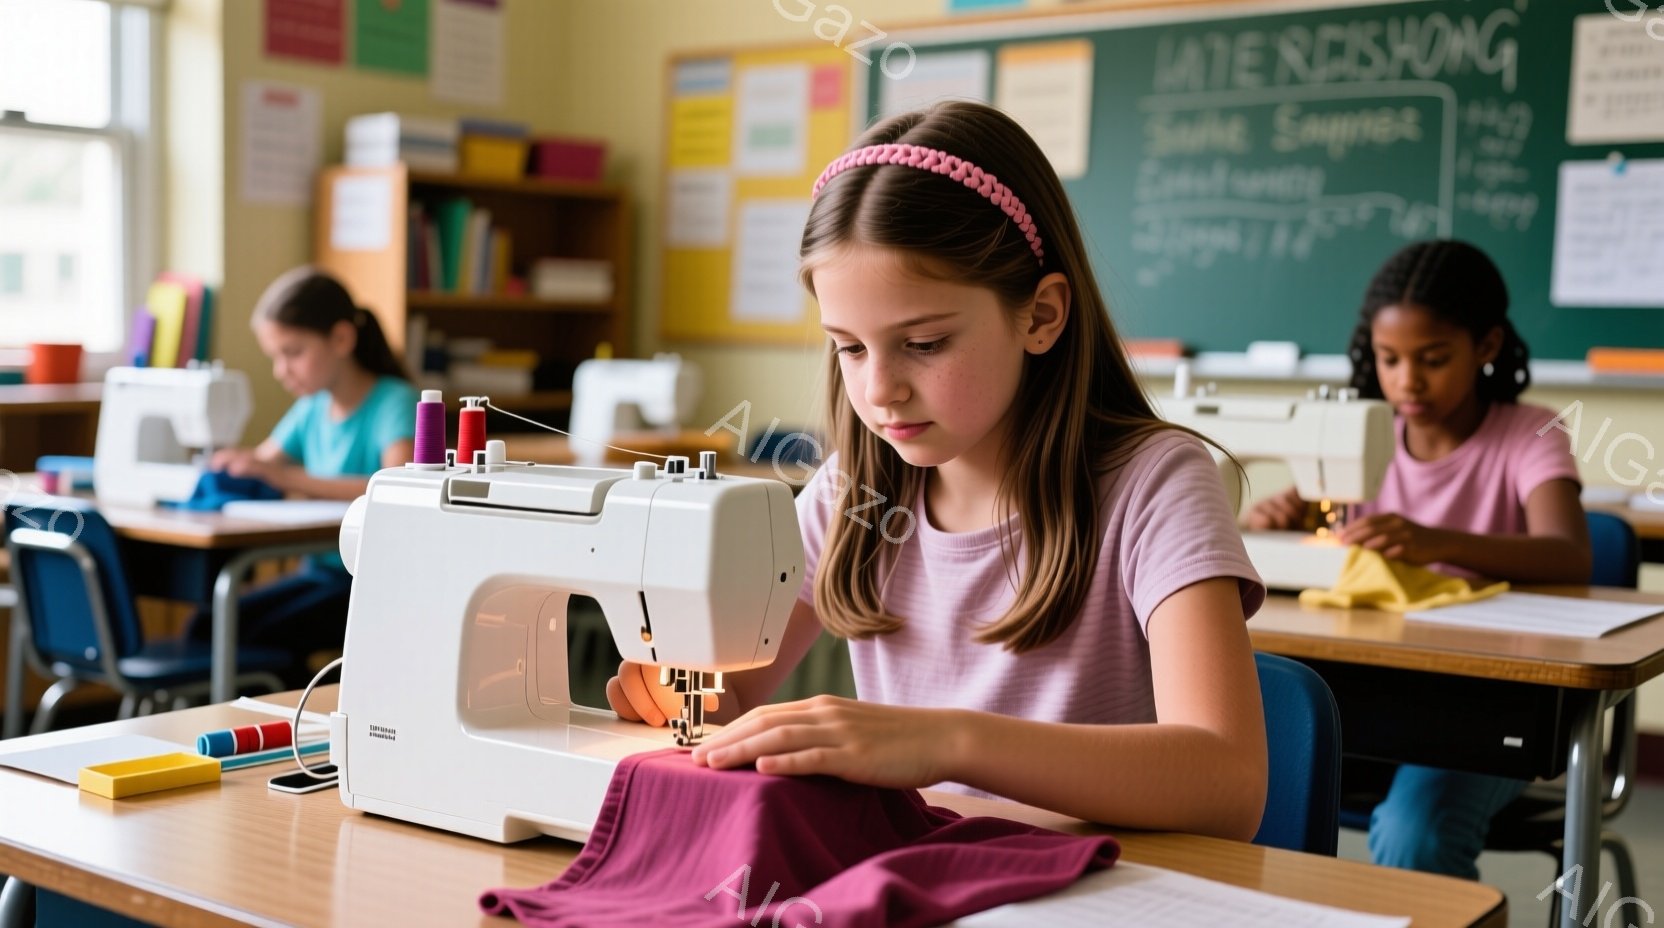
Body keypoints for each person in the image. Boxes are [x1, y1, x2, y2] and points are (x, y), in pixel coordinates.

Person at [608, 101, 1269, 840]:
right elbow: (723, 702)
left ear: (1042, 316)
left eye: (922, 343)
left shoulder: (1154, 484)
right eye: (849, 348)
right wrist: (677, 694)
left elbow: (1227, 782)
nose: (879, 388)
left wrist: (945, 742)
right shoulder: (850, 495)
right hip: (917, 877)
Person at [1249, 239, 1591, 877]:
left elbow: (1570, 554)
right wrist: (1263, 519)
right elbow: (1302, 504)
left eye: (1432, 359)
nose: (1407, 380)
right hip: (1369, 694)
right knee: (1242, 786)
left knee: (1415, 834)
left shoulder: (1532, 432)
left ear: (1486, 347)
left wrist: (1438, 542)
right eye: (1389, 359)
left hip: (1486, 707)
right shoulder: (1363, 435)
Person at [192, 266, 419, 685]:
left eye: (292, 352)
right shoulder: (313, 407)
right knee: (206, 626)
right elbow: (263, 462)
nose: (281, 370)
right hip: (318, 572)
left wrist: (286, 477)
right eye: (275, 356)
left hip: (367, 585)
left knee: (251, 634)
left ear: (341, 339)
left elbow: (395, 486)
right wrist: (233, 463)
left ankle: (297, 713)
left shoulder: (394, 402)